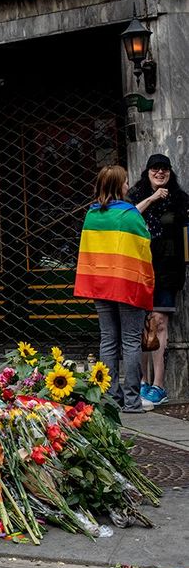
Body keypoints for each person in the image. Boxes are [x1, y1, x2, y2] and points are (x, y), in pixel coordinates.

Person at [74, 165, 155, 413]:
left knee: (108, 341)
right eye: (126, 182)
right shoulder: (129, 214)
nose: (128, 186)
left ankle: (110, 398)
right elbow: (144, 248)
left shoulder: (92, 214)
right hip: (127, 284)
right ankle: (132, 400)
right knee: (130, 342)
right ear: (119, 185)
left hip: (100, 284)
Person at [128, 153, 189, 405]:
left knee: (160, 322)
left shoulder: (180, 199)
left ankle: (159, 385)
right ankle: (141, 382)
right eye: (155, 168)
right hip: (139, 268)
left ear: (170, 172)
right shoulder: (135, 195)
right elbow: (129, 217)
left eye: (164, 169)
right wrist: (152, 198)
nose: (160, 173)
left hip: (167, 269)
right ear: (148, 171)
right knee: (142, 323)